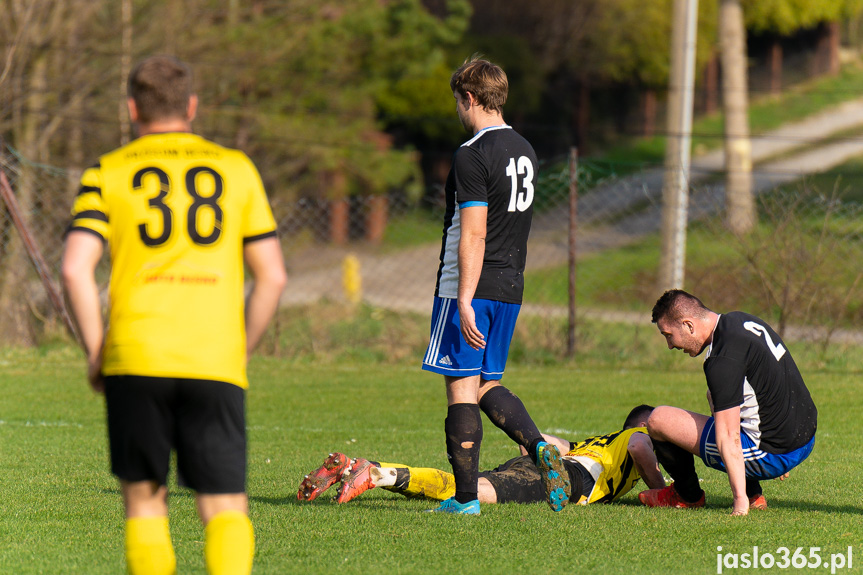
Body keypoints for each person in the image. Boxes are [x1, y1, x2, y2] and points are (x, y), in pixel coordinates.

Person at [61, 55, 287, 575]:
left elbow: (75, 269)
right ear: (191, 106)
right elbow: (272, 276)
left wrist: (97, 350)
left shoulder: (108, 170)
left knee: (144, 502)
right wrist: (241, 348)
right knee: (224, 505)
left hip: (136, 355)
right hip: (213, 356)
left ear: (132, 108)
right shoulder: (236, 169)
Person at [419, 55, 567, 516]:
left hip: (471, 284)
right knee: (486, 383)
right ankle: (540, 447)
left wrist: (462, 297)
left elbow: (475, 231)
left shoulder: (472, 152)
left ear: (469, 98)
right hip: (511, 284)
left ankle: (464, 501)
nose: (458, 113)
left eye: (457, 103)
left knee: (460, 386)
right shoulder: (525, 148)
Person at [639, 290, 817, 516]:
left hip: (773, 453)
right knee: (715, 396)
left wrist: (739, 501)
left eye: (668, 335)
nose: (670, 346)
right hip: (804, 437)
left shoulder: (721, 360)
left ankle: (687, 496)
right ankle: (753, 491)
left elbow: (728, 437)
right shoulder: (741, 321)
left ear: (688, 325)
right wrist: (783, 431)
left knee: (658, 420)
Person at [298, 405, 664, 507]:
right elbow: (640, 448)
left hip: (545, 465)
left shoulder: (599, 441)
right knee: (472, 495)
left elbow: (541, 442)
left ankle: (355, 467)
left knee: (466, 487)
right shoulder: (637, 436)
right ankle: (377, 474)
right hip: (566, 480)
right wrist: (663, 488)